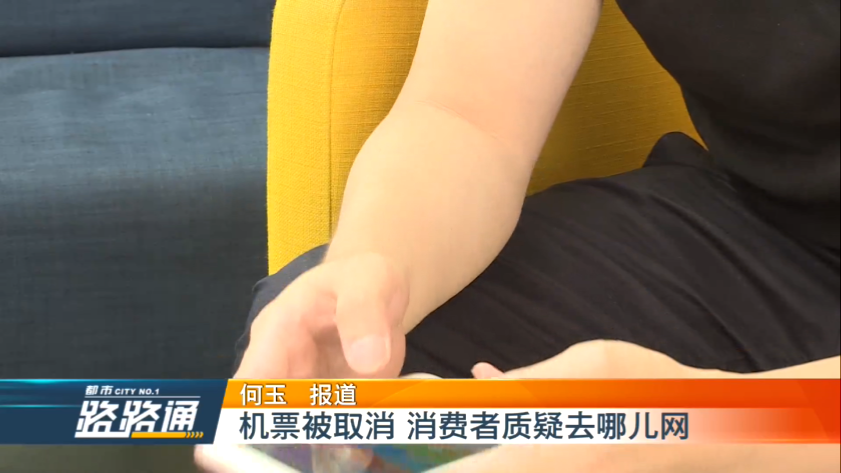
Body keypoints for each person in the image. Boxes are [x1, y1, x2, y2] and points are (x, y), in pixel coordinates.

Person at [235, 0, 839, 470]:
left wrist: (720, 428)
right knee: (334, 391)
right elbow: (469, 112)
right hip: (771, 232)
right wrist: (374, 274)